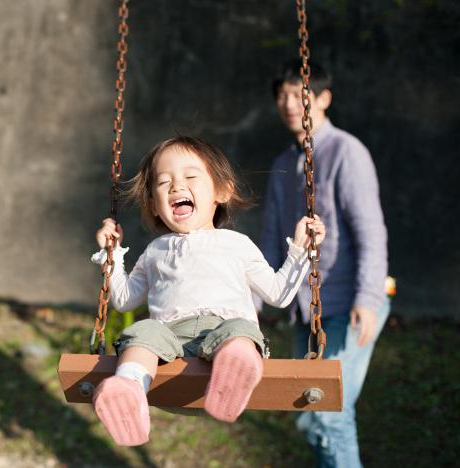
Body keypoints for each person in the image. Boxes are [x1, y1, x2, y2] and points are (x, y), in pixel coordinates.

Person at [90, 136, 325, 446]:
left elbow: (278, 294)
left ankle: (236, 370)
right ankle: (129, 389)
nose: (175, 187)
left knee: (240, 330)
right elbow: (123, 299)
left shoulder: (237, 244)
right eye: (163, 183)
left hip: (224, 334)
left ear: (222, 191)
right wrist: (112, 255)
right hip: (169, 344)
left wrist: (301, 249)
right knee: (143, 330)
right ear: (154, 206)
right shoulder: (155, 250)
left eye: (190, 177)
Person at [260, 60, 389, 467]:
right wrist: (253, 303)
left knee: (329, 410)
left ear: (323, 99)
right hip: (307, 310)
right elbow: (270, 240)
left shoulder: (346, 152)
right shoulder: (283, 163)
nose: (288, 103)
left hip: (347, 303)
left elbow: (371, 231)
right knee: (309, 414)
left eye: (298, 93)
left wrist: (367, 299)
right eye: (281, 94)